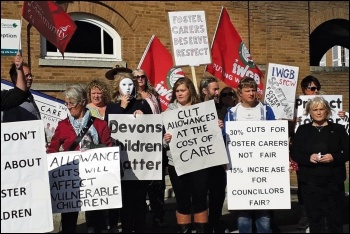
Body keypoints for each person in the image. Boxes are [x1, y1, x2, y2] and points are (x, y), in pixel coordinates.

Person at [47, 84, 113, 233]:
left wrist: (90, 151)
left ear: (83, 102)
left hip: (94, 181)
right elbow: (53, 149)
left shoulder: (100, 124)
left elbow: (109, 150)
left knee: (97, 220)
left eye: (72, 103)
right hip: (71, 182)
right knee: (69, 221)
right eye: (66, 103)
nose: (68, 107)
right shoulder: (63, 125)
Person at [223, 77, 275, 233]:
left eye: (253, 90)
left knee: (263, 212)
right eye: (247, 90)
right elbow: (226, 139)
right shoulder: (232, 113)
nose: (251, 93)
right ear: (240, 93)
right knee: (243, 211)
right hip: (240, 169)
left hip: (263, 166)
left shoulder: (266, 111)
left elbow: (274, 136)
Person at [291, 96, 349, 233]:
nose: (318, 112)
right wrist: (308, 158)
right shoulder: (302, 130)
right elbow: (295, 153)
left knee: (335, 220)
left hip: (334, 182)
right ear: (309, 111)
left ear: (327, 111)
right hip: (310, 183)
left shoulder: (338, 129)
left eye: (321, 109)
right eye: (315, 109)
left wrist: (334, 157)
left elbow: (348, 151)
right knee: (315, 221)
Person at [105, 72, 152, 233]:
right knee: (125, 201)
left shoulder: (142, 103)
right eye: (124, 85)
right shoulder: (112, 106)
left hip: (140, 161)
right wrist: (122, 107)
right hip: (122, 162)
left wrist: (144, 117)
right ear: (118, 87)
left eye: (130, 84)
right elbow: (108, 129)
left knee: (139, 201)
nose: (127, 88)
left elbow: (153, 128)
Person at [163, 77, 209, 233]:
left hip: (199, 161)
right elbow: (160, 141)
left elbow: (210, 135)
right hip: (176, 163)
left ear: (190, 90)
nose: (179, 93)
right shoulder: (168, 112)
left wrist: (216, 126)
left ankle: (201, 229)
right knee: (182, 199)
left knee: (200, 198)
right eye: (177, 91)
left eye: (182, 90)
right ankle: (184, 230)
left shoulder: (202, 109)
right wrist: (165, 139)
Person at [132, 69, 167, 228]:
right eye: (136, 77)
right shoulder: (132, 98)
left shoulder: (153, 95)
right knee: (142, 187)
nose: (140, 79)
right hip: (142, 147)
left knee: (158, 186)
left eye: (142, 76)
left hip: (157, 144)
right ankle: (140, 222)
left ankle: (158, 218)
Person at [85, 79, 117, 233]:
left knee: (111, 190)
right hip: (93, 156)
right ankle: (92, 224)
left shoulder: (111, 108)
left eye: (99, 92)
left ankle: (112, 223)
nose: (96, 96)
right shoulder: (85, 110)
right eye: (93, 93)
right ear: (89, 95)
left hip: (111, 154)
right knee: (93, 192)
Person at [198, 76, 227, 233]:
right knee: (202, 195)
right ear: (204, 91)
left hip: (218, 160)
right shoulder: (195, 109)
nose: (217, 93)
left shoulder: (222, 109)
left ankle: (216, 222)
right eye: (214, 89)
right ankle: (204, 226)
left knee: (218, 194)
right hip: (201, 160)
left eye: (218, 89)